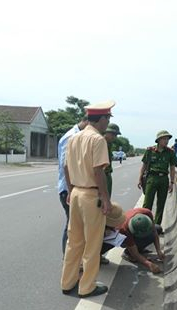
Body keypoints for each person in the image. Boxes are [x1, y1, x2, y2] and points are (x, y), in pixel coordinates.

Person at [61, 100, 114, 298]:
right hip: (91, 195)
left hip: (75, 193)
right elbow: (98, 171)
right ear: (101, 119)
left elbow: (66, 167)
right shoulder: (97, 140)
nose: (107, 123)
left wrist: (71, 189)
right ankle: (87, 287)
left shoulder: (74, 138)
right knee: (92, 244)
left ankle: (67, 282)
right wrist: (105, 198)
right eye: (107, 118)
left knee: (73, 241)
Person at [57, 117, 89, 256]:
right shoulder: (72, 136)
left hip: (75, 189)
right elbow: (66, 165)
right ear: (88, 122)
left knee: (76, 226)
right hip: (69, 189)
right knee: (72, 226)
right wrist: (71, 192)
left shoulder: (80, 135)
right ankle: (68, 260)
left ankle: (74, 260)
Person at [101, 205, 164, 274]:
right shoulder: (124, 229)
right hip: (119, 235)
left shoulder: (147, 212)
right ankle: (128, 253)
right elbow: (135, 253)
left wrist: (158, 250)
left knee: (158, 228)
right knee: (111, 241)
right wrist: (149, 264)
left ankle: (139, 247)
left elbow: (154, 232)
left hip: (131, 232)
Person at [138, 130, 177, 225]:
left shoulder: (170, 152)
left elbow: (172, 168)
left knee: (161, 204)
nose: (166, 141)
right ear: (158, 140)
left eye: (167, 139)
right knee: (147, 203)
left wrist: (172, 182)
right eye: (164, 139)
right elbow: (144, 165)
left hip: (163, 179)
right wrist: (139, 178)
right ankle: (145, 224)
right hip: (151, 178)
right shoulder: (150, 151)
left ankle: (157, 225)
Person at [103, 123, 121, 197]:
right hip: (103, 175)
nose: (114, 137)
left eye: (116, 135)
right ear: (106, 132)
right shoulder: (101, 142)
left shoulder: (109, 144)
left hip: (107, 174)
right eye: (113, 134)